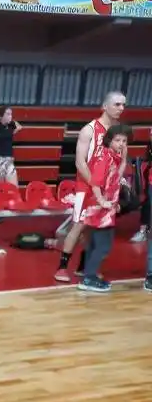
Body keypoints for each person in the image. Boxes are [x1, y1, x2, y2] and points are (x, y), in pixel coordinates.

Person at [55, 91, 127, 283]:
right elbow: (80, 163)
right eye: (117, 104)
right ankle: (62, 267)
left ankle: (83, 266)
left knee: (94, 228)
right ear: (105, 106)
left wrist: (114, 182)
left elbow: (122, 161)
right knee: (79, 225)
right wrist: (97, 184)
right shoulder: (89, 129)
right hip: (85, 185)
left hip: (106, 188)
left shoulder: (120, 131)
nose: (121, 108)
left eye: (123, 105)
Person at [77, 125, 129, 293]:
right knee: (103, 244)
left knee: (95, 242)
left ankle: (88, 275)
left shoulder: (114, 156)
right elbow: (95, 182)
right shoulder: (104, 157)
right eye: (117, 140)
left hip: (107, 205)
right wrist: (102, 201)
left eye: (124, 141)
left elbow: (118, 174)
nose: (121, 144)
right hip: (100, 206)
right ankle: (89, 278)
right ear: (109, 140)